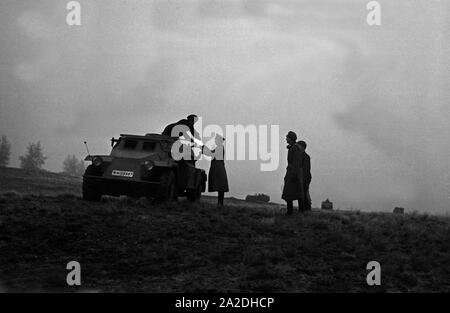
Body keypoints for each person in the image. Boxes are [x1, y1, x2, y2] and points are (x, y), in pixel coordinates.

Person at [202, 134, 229, 207]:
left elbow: (211, 153)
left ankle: (220, 204)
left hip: (218, 169)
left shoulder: (219, 147)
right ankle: (220, 204)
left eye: (216, 140)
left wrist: (203, 148)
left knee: (221, 187)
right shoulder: (219, 147)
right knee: (221, 187)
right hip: (219, 169)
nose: (215, 141)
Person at [281, 131, 304, 215]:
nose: (286, 138)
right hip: (291, 172)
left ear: (291, 139)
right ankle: (291, 210)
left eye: (287, 137)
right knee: (292, 192)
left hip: (293, 173)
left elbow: (296, 162)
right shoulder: (292, 147)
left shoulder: (295, 148)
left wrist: (294, 175)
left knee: (295, 193)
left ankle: (294, 211)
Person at [297, 140, 312, 211]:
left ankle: (306, 209)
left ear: (302, 147)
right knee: (301, 193)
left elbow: (306, 170)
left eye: (298, 146)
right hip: (302, 177)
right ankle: (303, 209)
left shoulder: (306, 157)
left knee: (305, 193)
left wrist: (304, 180)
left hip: (305, 178)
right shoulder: (300, 156)